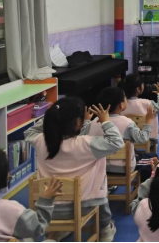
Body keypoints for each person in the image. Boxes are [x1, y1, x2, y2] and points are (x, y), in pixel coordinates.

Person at [25, 97, 124, 242]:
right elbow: (117, 142)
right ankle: (105, 229)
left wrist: (52, 116)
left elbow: (29, 132)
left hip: (48, 207)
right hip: (83, 206)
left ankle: (54, 232)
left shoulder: (41, 141)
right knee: (98, 176)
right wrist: (106, 121)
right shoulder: (87, 143)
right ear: (78, 123)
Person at [86, 86, 157, 182]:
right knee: (154, 158)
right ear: (121, 105)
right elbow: (142, 139)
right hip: (123, 167)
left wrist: (86, 121)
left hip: (98, 166)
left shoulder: (93, 122)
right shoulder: (127, 123)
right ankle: (144, 188)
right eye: (125, 98)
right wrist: (148, 121)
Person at [119, 75, 159, 150]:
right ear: (138, 89)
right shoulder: (147, 103)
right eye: (142, 84)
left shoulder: (120, 106)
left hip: (126, 138)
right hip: (148, 138)